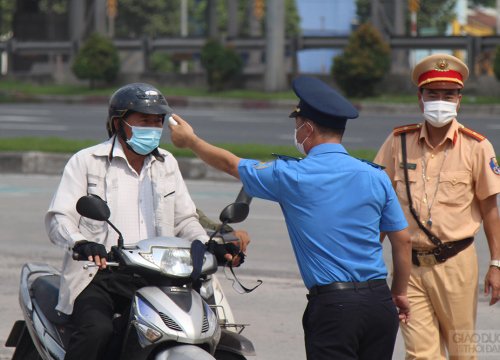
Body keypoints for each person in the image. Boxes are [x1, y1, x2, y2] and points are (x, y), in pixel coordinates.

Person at [168, 76, 412, 360]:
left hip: (335, 307)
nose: (296, 132)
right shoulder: (375, 176)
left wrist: (191, 141)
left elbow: (231, 164)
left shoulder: (292, 175)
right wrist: (398, 294)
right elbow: (403, 241)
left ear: (307, 127)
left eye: (298, 125)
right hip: (379, 304)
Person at [45, 83, 249, 360]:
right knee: (98, 331)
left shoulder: (167, 163)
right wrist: (81, 243)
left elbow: (185, 219)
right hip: (101, 275)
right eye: (144, 120)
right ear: (119, 123)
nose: (153, 128)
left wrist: (206, 245)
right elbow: (60, 218)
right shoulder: (87, 161)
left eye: (157, 121)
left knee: (208, 330)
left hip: (160, 275)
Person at [374, 53, 500, 360]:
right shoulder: (398, 141)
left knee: (462, 353)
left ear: (459, 100)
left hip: (456, 264)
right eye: (433, 94)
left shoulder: (476, 147)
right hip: (408, 267)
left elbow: (490, 210)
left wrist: (497, 264)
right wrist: (365, 260)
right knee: (420, 355)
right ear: (420, 98)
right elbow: (377, 202)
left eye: (448, 95)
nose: (440, 101)